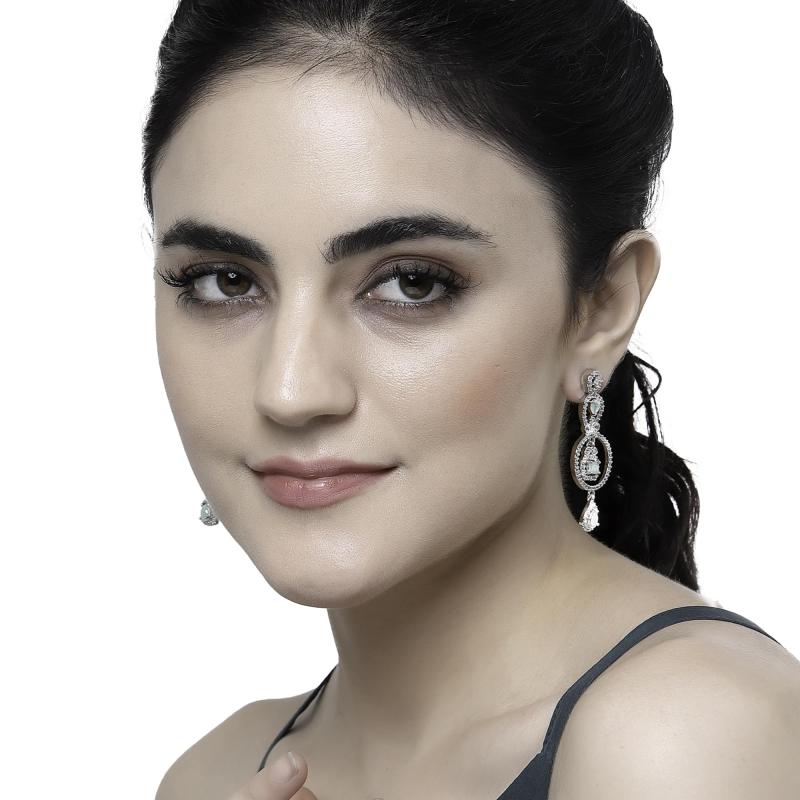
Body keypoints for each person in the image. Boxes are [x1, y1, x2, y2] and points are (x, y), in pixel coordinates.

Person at [144, 1, 800, 798]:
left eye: (412, 284)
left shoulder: (686, 735)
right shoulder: (213, 775)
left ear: (600, 310)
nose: (290, 391)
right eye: (224, 282)